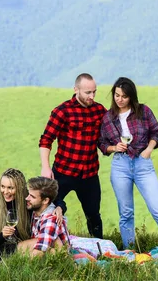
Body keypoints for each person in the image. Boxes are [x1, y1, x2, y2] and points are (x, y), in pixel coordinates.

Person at [98, 77, 158, 248]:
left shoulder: (144, 111)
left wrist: (148, 150)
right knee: (126, 213)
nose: (119, 99)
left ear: (131, 97)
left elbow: (156, 131)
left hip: (143, 163)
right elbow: (101, 143)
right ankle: (131, 252)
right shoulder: (108, 118)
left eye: (124, 96)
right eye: (117, 95)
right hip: (120, 165)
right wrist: (114, 148)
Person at [39, 73, 107, 238]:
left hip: (89, 174)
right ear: (76, 89)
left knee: (93, 215)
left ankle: (100, 249)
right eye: (87, 93)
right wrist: (45, 167)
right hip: (63, 172)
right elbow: (46, 140)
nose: (92, 96)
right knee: (51, 208)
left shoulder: (99, 110)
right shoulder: (62, 111)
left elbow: (106, 137)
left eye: (94, 92)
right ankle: (50, 243)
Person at [17, 177, 70, 257]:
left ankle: (63, 258)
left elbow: (40, 250)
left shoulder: (50, 219)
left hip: (59, 254)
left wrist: (19, 263)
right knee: (20, 247)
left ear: (45, 201)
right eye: (28, 194)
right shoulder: (37, 209)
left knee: (20, 248)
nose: (27, 198)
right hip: (45, 243)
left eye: (32, 196)